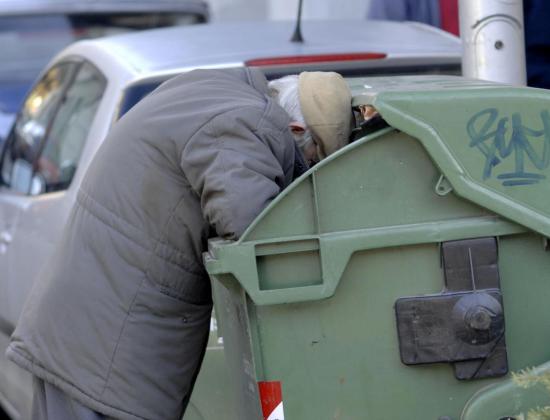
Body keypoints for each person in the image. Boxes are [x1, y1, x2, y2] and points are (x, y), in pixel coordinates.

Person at [6, 68, 352, 420]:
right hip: (109, 349)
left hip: (90, 330)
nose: (307, 166)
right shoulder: (244, 124)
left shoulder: (213, 92)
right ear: (295, 130)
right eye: (312, 158)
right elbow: (252, 227)